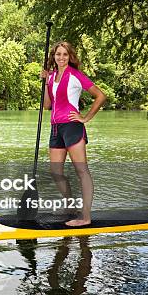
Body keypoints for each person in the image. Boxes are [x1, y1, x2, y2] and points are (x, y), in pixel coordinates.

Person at [40, 42, 106, 226]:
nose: (61, 57)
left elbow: (101, 96)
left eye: (65, 54)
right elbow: (47, 105)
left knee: (82, 171)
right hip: (55, 128)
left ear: (70, 57)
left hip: (72, 127)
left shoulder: (76, 75)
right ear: (54, 56)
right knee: (55, 171)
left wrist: (85, 118)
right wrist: (46, 82)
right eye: (58, 54)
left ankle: (85, 217)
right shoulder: (52, 76)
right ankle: (69, 206)